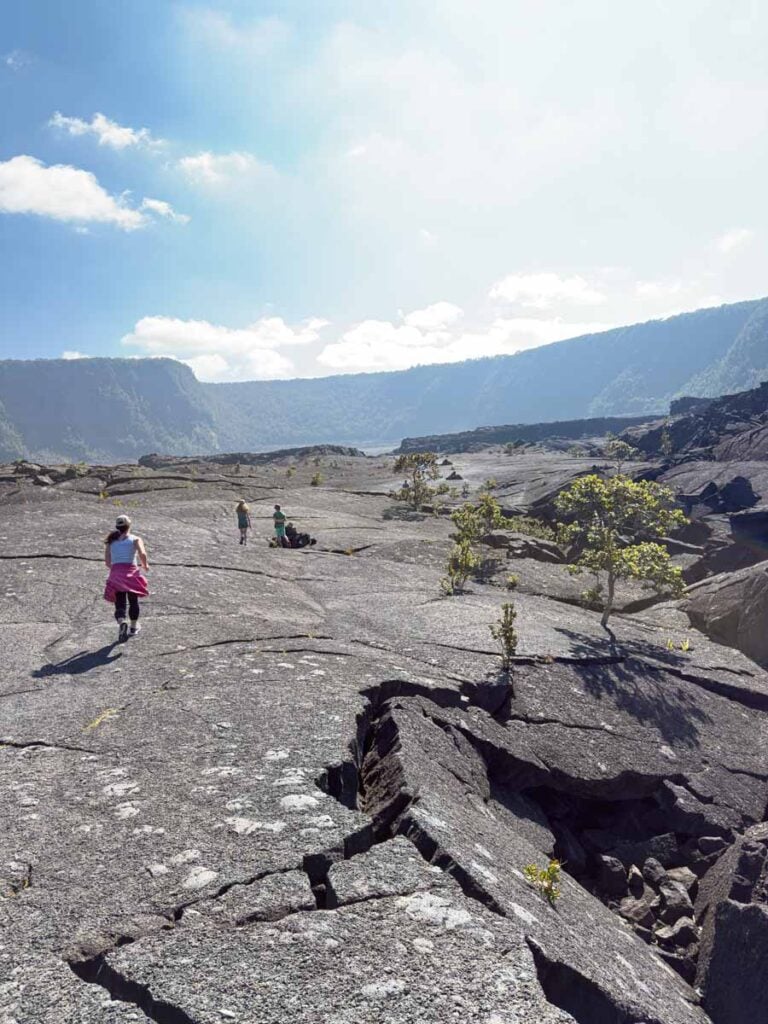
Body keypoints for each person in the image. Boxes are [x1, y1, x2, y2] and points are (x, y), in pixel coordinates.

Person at [104, 515, 149, 643]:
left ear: (117, 527)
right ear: (129, 526)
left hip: (116, 573)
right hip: (131, 572)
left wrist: (117, 570)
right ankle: (133, 628)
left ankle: (121, 621)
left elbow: (107, 562)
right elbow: (142, 554)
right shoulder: (135, 539)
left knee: (120, 602)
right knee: (133, 601)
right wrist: (145, 565)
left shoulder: (111, 541)